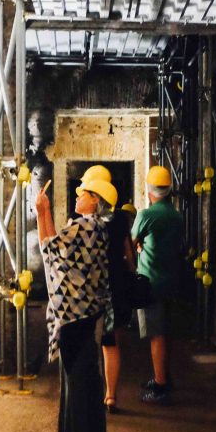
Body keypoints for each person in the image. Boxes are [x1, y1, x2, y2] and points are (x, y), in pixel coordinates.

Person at [36, 173, 118, 432]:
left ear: (94, 201)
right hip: (88, 312)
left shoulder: (84, 228)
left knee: (76, 378)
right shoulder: (94, 228)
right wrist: (44, 213)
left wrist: (41, 212)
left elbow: (48, 248)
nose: (77, 195)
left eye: (83, 192)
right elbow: (57, 247)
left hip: (73, 313)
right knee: (85, 375)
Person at [78, 167, 136, 414]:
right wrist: (131, 275)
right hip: (118, 283)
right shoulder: (121, 219)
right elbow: (128, 254)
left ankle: (92, 393)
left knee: (91, 341)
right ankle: (110, 395)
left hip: (94, 286)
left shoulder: (87, 223)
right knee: (111, 342)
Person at [132, 165, 184, 405]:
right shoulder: (176, 215)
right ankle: (164, 376)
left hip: (150, 282)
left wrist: (139, 250)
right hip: (172, 280)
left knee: (156, 335)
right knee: (166, 332)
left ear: (149, 189)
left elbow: (131, 242)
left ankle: (160, 386)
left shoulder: (146, 215)